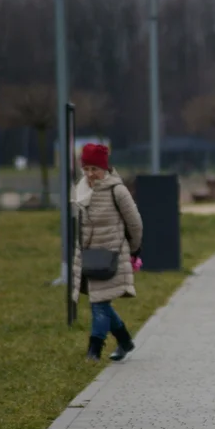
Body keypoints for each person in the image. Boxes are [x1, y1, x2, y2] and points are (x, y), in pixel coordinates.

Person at [71, 143, 144, 363]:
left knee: (99, 304)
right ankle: (125, 341)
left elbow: (135, 223)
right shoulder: (81, 189)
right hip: (89, 257)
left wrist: (133, 250)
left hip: (111, 256)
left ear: (105, 168)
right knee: (100, 301)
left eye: (95, 169)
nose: (91, 174)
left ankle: (94, 351)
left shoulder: (117, 190)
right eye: (87, 169)